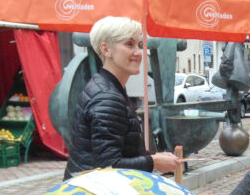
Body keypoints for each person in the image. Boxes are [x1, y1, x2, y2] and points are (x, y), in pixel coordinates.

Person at [64, 16, 181, 180]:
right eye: (129, 44)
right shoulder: (106, 98)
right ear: (106, 50)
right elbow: (110, 166)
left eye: (139, 45)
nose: (138, 52)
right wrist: (153, 161)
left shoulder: (108, 88)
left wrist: (154, 158)